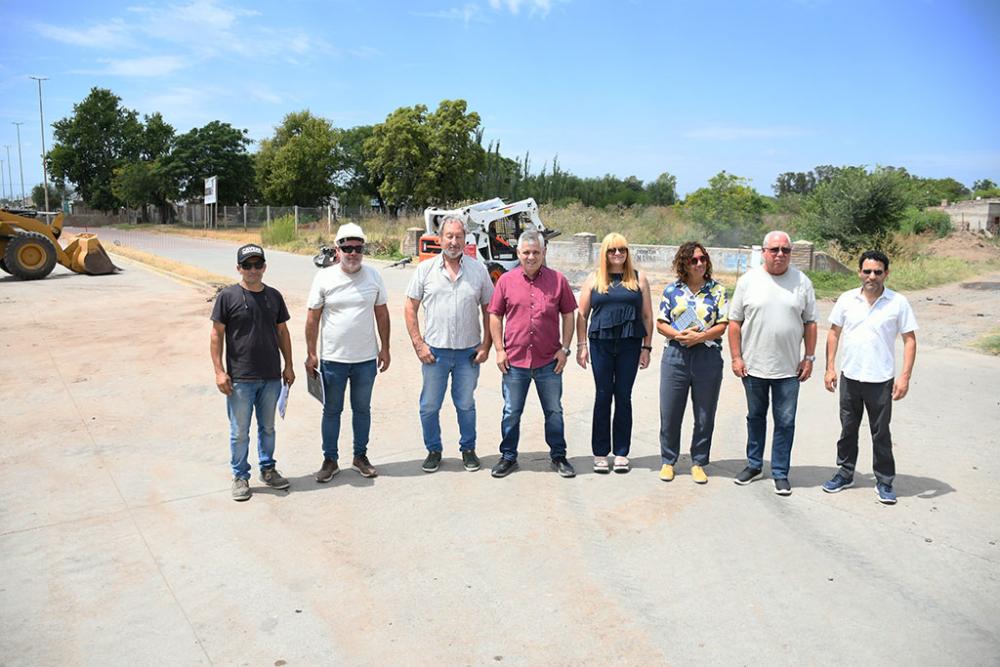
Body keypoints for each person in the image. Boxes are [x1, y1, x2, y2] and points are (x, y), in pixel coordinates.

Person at [822, 250, 918, 504]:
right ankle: (845, 473)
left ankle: (885, 481)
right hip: (851, 377)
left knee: (880, 433)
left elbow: (910, 340)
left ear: (886, 273)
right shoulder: (846, 299)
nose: (872, 276)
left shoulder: (897, 302)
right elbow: (833, 333)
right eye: (867, 271)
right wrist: (830, 367)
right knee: (848, 429)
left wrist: (904, 377)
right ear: (859, 272)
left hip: (881, 380)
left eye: (877, 271)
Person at [727, 231, 817, 495]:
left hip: (789, 369)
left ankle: (780, 472)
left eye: (786, 250)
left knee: (785, 422)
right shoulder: (748, 281)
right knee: (755, 417)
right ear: (764, 252)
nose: (780, 255)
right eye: (775, 249)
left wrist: (809, 357)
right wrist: (736, 357)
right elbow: (735, 323)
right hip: (753, 366)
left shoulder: (802, 281)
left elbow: (810, 323)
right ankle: (754, 465)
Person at [404, 216, 494, 473]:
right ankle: (433, 450)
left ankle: (468, 449)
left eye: (458, 236)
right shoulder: (425, 270)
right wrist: (418, 344)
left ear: (466, 240)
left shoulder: (478, 271)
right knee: (429, 405)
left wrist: (486, 344)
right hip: (435, 353)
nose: (454, 242)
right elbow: (410, 306)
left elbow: (490, 309)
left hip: (468, 353)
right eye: (449, 236)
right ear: (440, 239)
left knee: (465, 404)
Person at [488, 229, 578, 478]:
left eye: (536, 252)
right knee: (511, 412)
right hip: (514, 362)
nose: (530, 257)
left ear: (544, 253)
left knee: (554, 412)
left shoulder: (558, 280)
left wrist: (565, 349)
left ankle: (558, 455)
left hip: (549, 362)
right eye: (526, 252)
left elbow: (569, 314)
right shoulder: (506, 280)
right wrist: (498, 350)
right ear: (518, 253)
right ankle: (508, 457)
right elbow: (495, 314)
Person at [305, 223, 390, 481]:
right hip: (333, 360)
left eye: (358, 248)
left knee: (362, 409)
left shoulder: (374, 276)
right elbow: (312, 318)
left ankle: (360, 457)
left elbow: (382, 314)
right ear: (337, 249)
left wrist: (385, 348)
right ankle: (330, 460)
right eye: (347, 248)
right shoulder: (324, 278)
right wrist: (311, 353)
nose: (353, 253)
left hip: (365, 360)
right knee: (332, 411)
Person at [210, 244, 295, 502]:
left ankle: (268, 469)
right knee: (240, 431)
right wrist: (219, 371)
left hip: (270, 377)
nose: (253, 270)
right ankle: (240, 476)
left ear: (264, 267)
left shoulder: (274, 297)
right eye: (247, 265)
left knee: (268, 428)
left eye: (258, 265)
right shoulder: (227, 297)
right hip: (240, 380)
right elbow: (216, 335)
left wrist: (288, 365)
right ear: (239, 268)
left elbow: (282, 332)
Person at [575, 233, 653, 473]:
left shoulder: (639, 279)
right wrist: (581, 346)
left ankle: (621, 452)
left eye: (622, 250)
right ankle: (600, 452)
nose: (617, 254)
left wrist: (646, 347)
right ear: (605, 253)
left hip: (630, 344)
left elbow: (647, 316)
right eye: (612, 250)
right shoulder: (594, 279)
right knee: (602, 395)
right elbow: (581, 315)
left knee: (623, 396)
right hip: (601, 345)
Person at [656, 242, 728, 484]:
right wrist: (678, 335)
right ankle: (668, 461)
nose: (699, 264)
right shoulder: (671, 291)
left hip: (707, 357)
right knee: (670, 411)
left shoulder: (717, 290)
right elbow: (661, 323)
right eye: (693, 260)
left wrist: (700, 336)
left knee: (705, 413)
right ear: (683, 264)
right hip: (676, 356)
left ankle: (699, 462)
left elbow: (723, 324)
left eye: (703, 259)